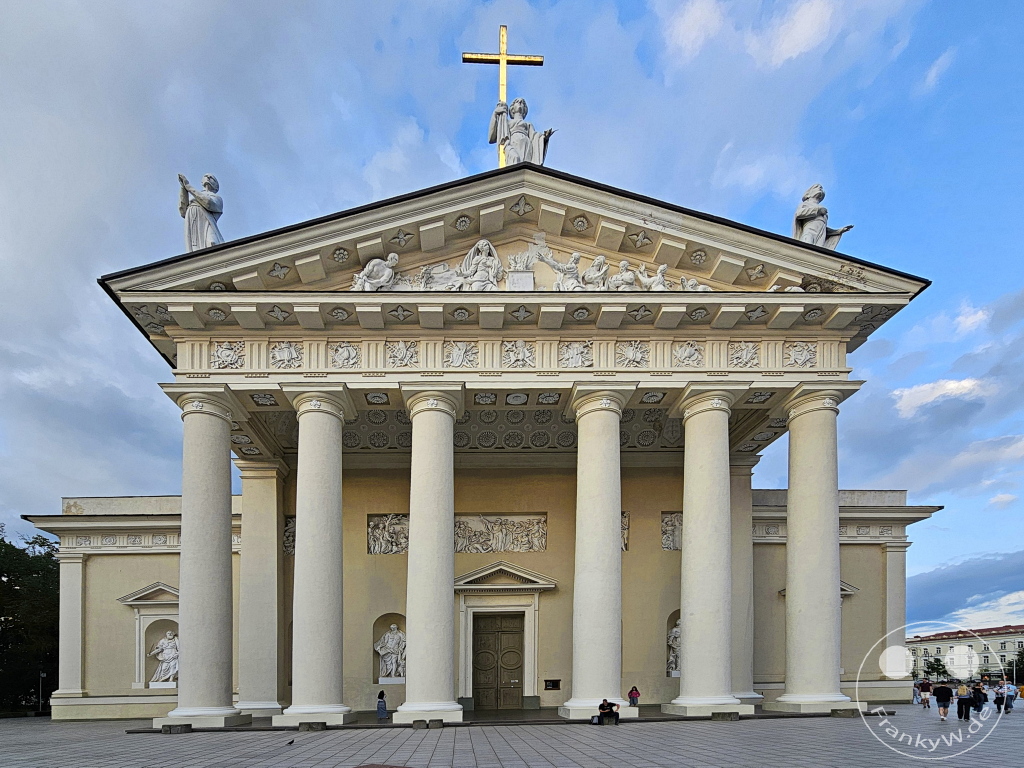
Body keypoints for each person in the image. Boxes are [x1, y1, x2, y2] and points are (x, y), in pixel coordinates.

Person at [178, 173, 224, 252]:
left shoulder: (217, 198)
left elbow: (208, 203)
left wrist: (189, 187)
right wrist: (183, 188)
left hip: (207, 223)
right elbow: (183, 211)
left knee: (212, 242)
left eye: (212, 178)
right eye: (205, 176)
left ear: (216, 187)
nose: (208, 177)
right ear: (202, 182)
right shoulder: (194, 197)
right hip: (193, 224)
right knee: (195, 248)